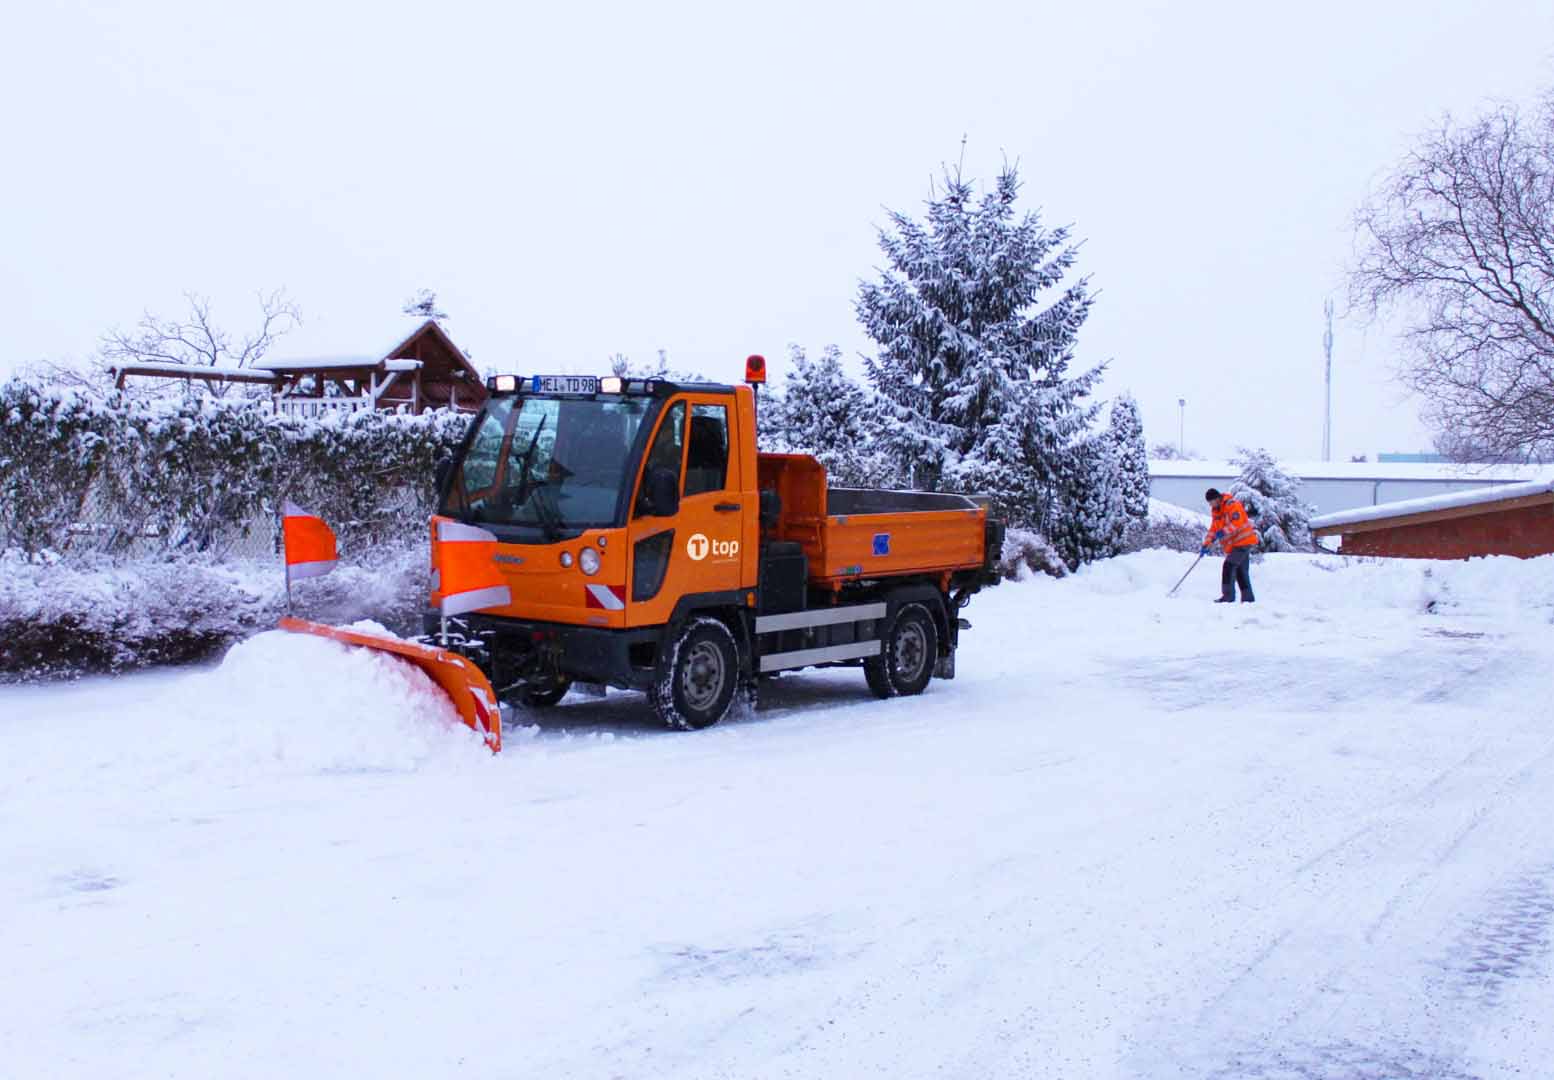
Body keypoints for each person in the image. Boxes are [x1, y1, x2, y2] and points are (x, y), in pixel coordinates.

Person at [1202, 488, 1258, 603]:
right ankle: (1248, 599)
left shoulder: (1232, 505)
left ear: (1217, 498)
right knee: (1240, 571)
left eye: (1211, 502)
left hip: (1244, 541)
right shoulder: (1216, 511)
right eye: (1209, 503)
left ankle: (1228, 596)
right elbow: (1213, 529)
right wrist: (1206, 544)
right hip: (1235, 544)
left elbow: (1237, 522)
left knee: (1229, 566)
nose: (1210, 505)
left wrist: (1223, 531)